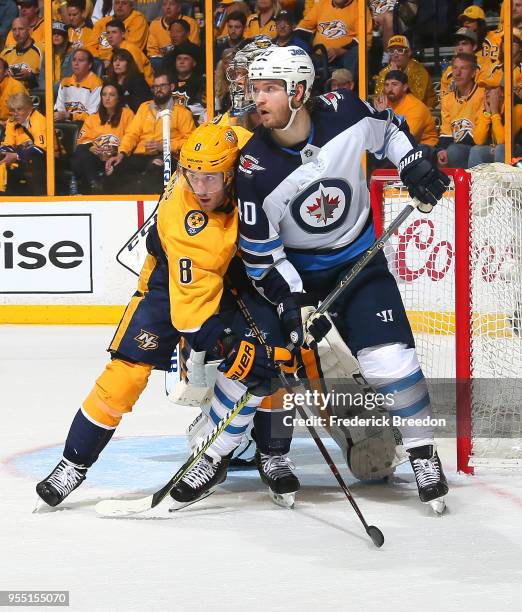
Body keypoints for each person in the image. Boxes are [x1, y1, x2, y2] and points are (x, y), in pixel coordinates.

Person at [236, 45, 450, 511]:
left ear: (298, 90)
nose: (259, 99)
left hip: (358, 259)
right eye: (256, 89)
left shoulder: (345, 111)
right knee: (275, 358)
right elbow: (261, 258)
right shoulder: (253, 169)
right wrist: (291, 304)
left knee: (390, 361)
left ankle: (422, 452)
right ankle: (272, 455)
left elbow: (389, 134)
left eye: (269, 89)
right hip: (297, 274)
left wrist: (411, 161)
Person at [35, 122, 293, 509]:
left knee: (274, 351)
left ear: (232, 169)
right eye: (193, 176)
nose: (201, 188)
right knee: (127, 371)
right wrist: (220, 340)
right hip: (172, 273)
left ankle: (272, 453)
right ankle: (73, 462)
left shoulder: (244, 150)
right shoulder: (186, 223)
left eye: (210, 177)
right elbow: (192, 310)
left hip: (243, 266)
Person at [104, 71, 195, 193]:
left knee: (155, 168)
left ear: (172, 87)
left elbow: (190, 142)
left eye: (162, 86)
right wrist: (121, 153)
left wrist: (165, 146)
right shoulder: (144, 108)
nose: (158, 89)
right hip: (140, 155)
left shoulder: (182, 113)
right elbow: (132, 134)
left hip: (166, 156)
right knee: (114, 170)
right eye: (155, 87)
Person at [70, 82, 135, 193]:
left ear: (119, 98)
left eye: (111, 95)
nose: (107, 98)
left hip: (117, 155)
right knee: (80, 152)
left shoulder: (127, 114)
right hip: (97, 157)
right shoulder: (93, 118)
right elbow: (82, 140)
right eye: (104, 95)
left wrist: (116, 151)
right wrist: (91, 147)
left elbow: (131, 136)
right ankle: (95, 184)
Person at [295, 0, 373, 80]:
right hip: (320, 55)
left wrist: (341, 50)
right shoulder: (322, 4)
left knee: (359, 52)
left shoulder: (359, 7)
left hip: (345, 56)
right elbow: (302, 28)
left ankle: (346, 89)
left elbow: (365, 38)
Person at [437, 53, 486, 169]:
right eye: (455, 68)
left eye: (463, 68)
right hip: (457, 147)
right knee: (441, 154)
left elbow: (481, 135)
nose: (457, 73)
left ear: (473, 73)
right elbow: (446, 133)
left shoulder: (482, 94)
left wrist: (451, 148)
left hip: (481, 145)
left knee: (454, 151)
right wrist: (442, 150)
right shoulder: (447, 99)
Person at [374, 71, 438, 150]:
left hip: (424, 148)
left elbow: (405, 138)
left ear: (405, 87)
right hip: (396, 148)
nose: (390, 89)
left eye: (394, 84)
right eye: (387, 85)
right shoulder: (384, 104)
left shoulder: (416, 107)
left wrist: (384, 115)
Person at [0, 91, 45, 195]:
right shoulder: (11, 122)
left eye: (19, 109)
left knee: (34, 160)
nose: (15, 113)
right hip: (22, 156)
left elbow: (40, 149)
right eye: (12, 110)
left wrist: (16, 155)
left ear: (29, 108)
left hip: (46, 159)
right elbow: (8, 144)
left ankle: (39, 197)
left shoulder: (40, 121)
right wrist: (3, 153)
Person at [373, 35, 437, 109]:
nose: (395, 55)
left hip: (422, 111)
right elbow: (379, 100)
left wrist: (397, 76)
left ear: (409, 52)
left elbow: (416, 101)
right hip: (392, 112)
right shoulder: (383, 73)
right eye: (391, 51)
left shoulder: (419, 72)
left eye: (400, 50)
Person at [147, 0, 200, 71]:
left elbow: (193, 48)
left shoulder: (191, 23)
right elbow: (152, 52)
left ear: (179, 7)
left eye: (172, 4)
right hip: (163, 63)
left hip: (184, 61)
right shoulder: (154, 25)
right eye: (165, 4)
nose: (168, 7)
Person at [54, 48, 102, 122]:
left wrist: (70, 116)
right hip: (65, 123)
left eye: (81, 60)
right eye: (74, 60)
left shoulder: (96, 83)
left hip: (86, 126)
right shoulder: (65, 82)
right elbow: (59, 108)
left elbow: (92, 115)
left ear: (89, 65)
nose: (76, 63)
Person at [440, 27, 486, 98]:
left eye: (464, 44)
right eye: (457, 44)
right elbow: (443, 101)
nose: (460, 48)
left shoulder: (485, 68)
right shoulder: (449, 72)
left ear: (474, 46)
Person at [104, 19, 153, 84]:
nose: (110, 36)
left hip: (143, 86)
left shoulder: (130, 49)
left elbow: (138, 74)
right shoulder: (112, 51)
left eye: (114, 32)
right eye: (108, 33)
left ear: (123, 34)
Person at [0, 17, 42, 88]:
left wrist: (30, 76)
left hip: (33, 95)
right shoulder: (5, 53)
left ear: (29, 30)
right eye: (14, 30)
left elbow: (47, 80)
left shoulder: (40, 51)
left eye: (21, 29)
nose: (17, 33)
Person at [105, 47, 151, 112]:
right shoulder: (109, 83)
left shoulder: (138, 81)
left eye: (121, 60)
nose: (117, 64)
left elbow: (140, 107)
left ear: (129, 63)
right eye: (115, 60)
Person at [163, 42, 203, 111]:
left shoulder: (200, 83)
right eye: (179, 59)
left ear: (194, 63)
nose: (181, 62)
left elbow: (202, 107)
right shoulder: (167, 81)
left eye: (186, 59)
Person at [38, 21, 74, 89]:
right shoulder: (47, 54)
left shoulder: (72, 54)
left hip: (66, 90)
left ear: (65, 36)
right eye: (53, 33)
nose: (56, 36)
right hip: (48, 91)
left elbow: (68, 79)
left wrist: (51, 89)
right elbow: (42, 78)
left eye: (59, 33)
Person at [0, 57, 26, 126]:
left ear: (6, 72)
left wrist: (4, 123)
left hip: (14, 128)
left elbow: (22, 116)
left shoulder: (16, 87)